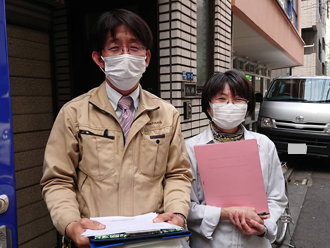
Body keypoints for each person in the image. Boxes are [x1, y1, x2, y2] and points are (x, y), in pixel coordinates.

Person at [40, 9, 192, 248]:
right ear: (99, 59)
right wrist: (70, 223)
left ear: (147, 58)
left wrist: (177, 212)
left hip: (154, 241)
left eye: (134, 47)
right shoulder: (74, 113)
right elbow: (57, 179)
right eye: (115, 48)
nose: (125, 55)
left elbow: (178, 174)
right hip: (96, 241)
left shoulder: (167, 114)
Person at [185, 70, 287, 248]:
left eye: (238, 98)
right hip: (210, 242)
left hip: (255, 241)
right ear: (208, 106)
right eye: (222, 99)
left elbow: (277, 198)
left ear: (247, 106)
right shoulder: (190, 148)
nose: (230, 105)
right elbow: (186, 206)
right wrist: (225, 213)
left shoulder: (264, 145)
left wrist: (263, 226)